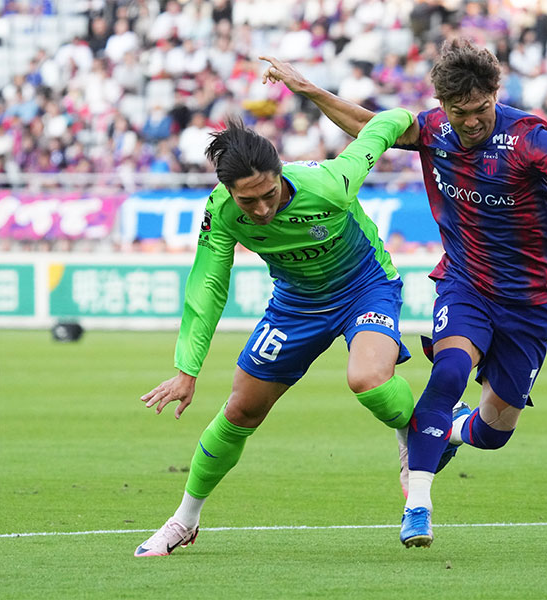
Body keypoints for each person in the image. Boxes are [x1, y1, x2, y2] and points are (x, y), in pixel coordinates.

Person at [259, 38, 547, 548]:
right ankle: (418, 505)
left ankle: (450, 429)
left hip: (532, 298)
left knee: (494, 432)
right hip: (465, 280)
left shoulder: (529, 137)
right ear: (443, 105)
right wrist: (309, 89)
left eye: (482, 109)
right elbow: (367, 124)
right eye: (460, 112)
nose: (472, 122)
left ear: (497, 93)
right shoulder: (431, 128)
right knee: (448, 371)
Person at [134, 107, 418, 556]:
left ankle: (412, 437)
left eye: (268, 193)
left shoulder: (329, 182)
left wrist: (407, 117)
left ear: (279, 172)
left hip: (365, 288)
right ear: (229, 192)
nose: (262, 208)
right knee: (241, 410)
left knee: (367, 380)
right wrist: (187, 369)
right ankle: (184, 520)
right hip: (296, 305)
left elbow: (380, 131)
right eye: (249, 201)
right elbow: (208, 284)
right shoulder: (222, 212)